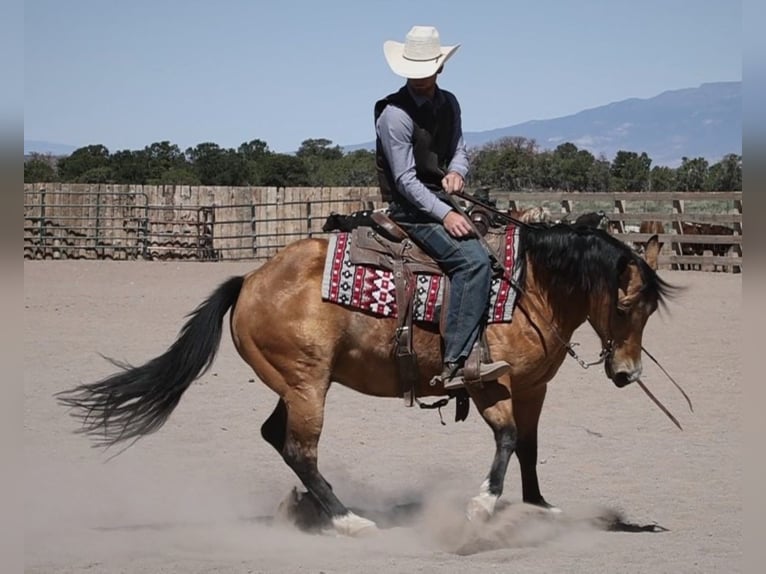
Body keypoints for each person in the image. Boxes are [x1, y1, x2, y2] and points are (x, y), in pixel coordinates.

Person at [374, 25, 511, 390]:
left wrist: (456, 172)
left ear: (440, 68)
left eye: (426, 69)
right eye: (414, 70)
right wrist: (446, 214)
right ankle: (456, 361)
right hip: (409, 208)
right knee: (471, 261)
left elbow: (460, 149)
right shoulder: (394, 115)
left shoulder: (449, 103)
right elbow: (404, 180)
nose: (419, 77)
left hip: (442, 196)